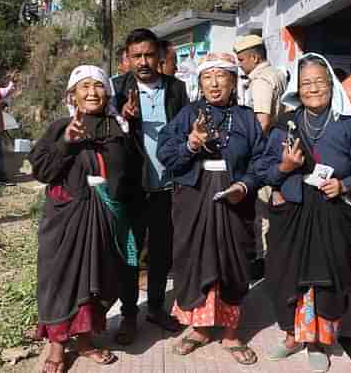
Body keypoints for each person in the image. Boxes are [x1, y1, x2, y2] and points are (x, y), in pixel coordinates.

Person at [257, 53, 351, 372]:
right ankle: (292, 335)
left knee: (327, 279)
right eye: (306, 83)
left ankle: (317, 340)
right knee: (285, 275)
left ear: (331, 84)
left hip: (331, 211)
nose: (313, 88)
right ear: (297, 87)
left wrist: (344, 184)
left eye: (319, 82)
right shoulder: (285, 123)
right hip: (292, 212)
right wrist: (285, 166)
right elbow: (263, 170)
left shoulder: (350, 122)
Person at [28, 65, 141, 373]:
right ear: (73, 94)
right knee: (61, 279)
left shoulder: (117, 129)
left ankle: (85, 342)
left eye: (98, 86)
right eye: (84, 87)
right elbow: (43, 172)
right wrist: (67, 141)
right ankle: (56, 347)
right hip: (66, 218)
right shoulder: (61, 126)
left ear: (108, 92)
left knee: (97, 280)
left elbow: (126, 173)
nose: (92, 92)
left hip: (105, 216)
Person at [157, 52, 264, 365]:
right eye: (208, 76)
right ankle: (200, 329)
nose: (215, 83)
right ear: (200, 82)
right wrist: (191, 143)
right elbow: (166, 153)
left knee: (233, 263)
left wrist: (244, 185)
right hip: (194, 199)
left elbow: (262, 160)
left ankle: (231, 334)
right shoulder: (188, 114)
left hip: (235, 201)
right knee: (195, 258)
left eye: (222, 76)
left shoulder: (246, 118)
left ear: (233, 81)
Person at [112, 28, 189, 344]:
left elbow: (186, 130)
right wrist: (121, 117)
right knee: (130, 255)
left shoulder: (176, 89)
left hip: (167, 190)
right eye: (136, 56)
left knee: (161, 254)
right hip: (131, 191)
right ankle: (129, 315)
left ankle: (156, 308)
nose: (143, 62)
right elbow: (101, 133)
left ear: (160, 56)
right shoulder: (116, 90)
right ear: (127, 59)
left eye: (149, 55)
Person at [234, 34, 288, 273]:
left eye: (242, 59)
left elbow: (262, 121)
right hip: (277, 149)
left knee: (262, 210)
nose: (240, 64)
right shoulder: (277, 73)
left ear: (255, 57)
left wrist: (246, 150)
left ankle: (264, 261)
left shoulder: (261, 81)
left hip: (264, 151)